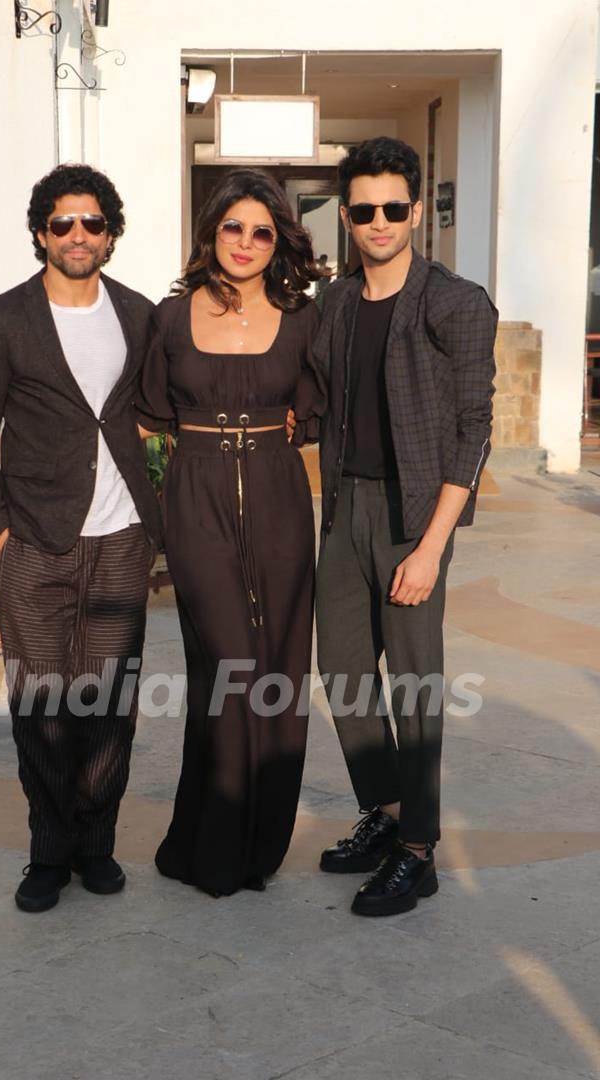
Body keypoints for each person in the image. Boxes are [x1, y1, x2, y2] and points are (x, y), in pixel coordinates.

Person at [0, 164, 162, 913]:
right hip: (34, 541)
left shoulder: (139, 315)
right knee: (41, 704)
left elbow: (168, 408)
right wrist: (2, 534)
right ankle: (49, 850)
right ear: (41, 232)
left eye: (93, 223)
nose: (79, 235)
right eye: (64, 223)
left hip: (122, 538)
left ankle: (94, 844)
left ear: (111, 233)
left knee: (109, 703)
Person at [314, 137, 496, 916]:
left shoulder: (455, 302)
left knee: (414, 687)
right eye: (364, 210)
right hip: (344, 508)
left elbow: (474, 429)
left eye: (394, 207)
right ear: (348, 218)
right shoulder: (334, 304)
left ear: (416, 210)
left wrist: (429, 548)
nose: (379, 221)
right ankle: (385, 814)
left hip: (414, 512)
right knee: (344, 674)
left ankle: (417, 851)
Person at [136, 168, 326, 897]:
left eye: (261, 231)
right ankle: (212, 843)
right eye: (232, 228)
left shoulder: (303, 317)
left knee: (277, 668)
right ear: (211, 232)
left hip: (279, 494)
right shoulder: (171, 318)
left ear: (276, 242)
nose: (245, 243)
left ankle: (259, 845)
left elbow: (321, 404)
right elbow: (148, 413)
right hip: (197, 495)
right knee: (230, 666)